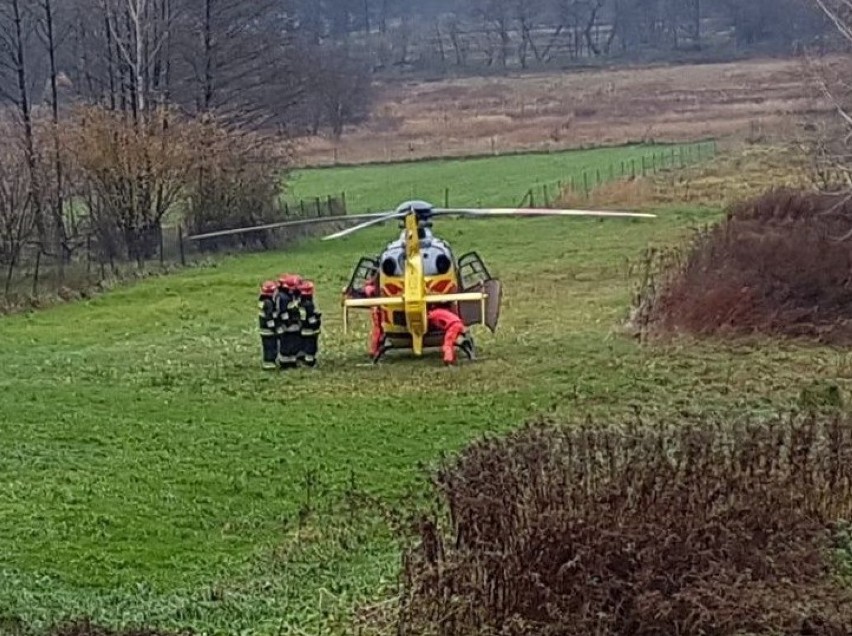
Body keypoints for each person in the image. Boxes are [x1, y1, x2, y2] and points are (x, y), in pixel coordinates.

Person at [277, 273, 303, 369]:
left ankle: (292, 361)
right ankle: (285, 363)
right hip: (287, 326)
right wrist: (288, 322)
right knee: (287, 344)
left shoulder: (289, 296)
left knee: (294, 344)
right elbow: (283, 312)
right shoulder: (283, 298)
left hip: (292, 325)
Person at [298, 280, 322, 367]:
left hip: (303, 328)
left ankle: (305, 358)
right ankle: (310, 362)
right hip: (310, 330)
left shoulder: (300, 303)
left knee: (305, 344)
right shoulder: (309, 304)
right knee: (311, 346)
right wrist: (317, 319)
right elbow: (311, 318)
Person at [258, 280, 279, 370]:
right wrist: (274, 327)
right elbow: (269, 317)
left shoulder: (262, 301)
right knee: (271, 346)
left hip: (263, 330)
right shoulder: (269, 303)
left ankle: (268, 362)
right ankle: (269, 363)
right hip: (268, 331)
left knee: (266, 347)